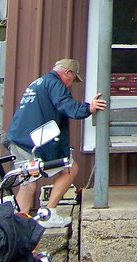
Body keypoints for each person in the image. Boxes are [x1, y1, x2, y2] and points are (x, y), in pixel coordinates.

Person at [6, 59, 106, 228]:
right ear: (68, 72)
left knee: (68, 168)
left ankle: (36, 218)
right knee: (29, 183)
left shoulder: (40, 82)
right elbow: (65, 104)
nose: (71, 85)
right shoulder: (55, 83)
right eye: (73, 80)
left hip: (23, 138)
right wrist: (88, 108)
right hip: (29, 142)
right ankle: (22, 226)